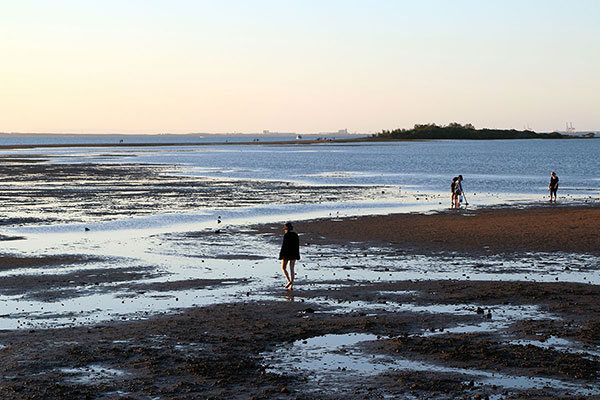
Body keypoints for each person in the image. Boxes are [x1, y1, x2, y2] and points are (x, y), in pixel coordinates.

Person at [279, 222, 300, 290]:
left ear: (286, 229)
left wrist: (281, 255)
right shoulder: (295, 235)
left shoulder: (286, 235)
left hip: (286, 253)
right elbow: (297, 246)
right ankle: (291, 285)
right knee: (292, 269)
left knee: (284, 268)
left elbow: (284, 246)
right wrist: (297, 255)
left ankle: (289, 281)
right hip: (294, 253)